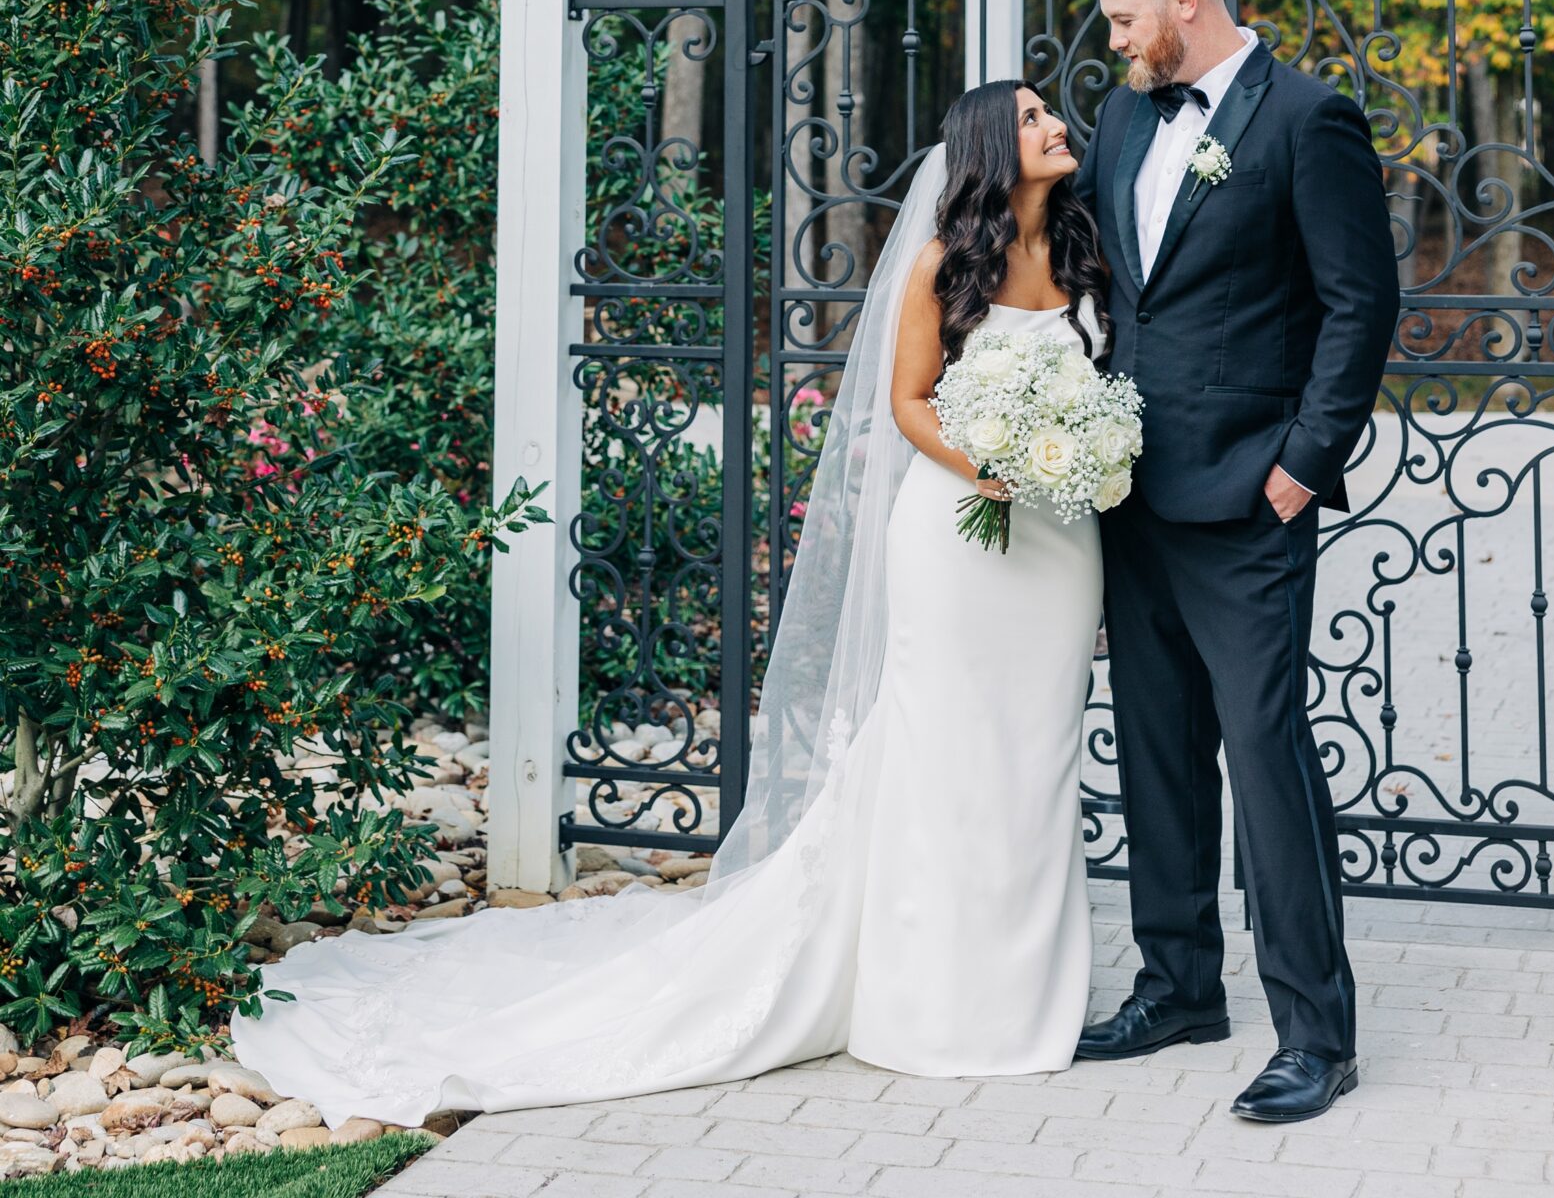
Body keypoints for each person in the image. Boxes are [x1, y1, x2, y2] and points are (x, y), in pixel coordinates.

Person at [231, 82, 1108, 1123]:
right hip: (960, 536)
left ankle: (1027, 992)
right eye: (1031, 117)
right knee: (947, 750)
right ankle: (934, 1000)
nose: (1056, 125)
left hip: (1060, 545)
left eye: (1051, 113)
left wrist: (1086, 456)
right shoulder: (940, 265)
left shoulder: (1087, 258)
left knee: (1038, 754)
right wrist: (989, 462)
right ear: (987, 149)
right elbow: (907, 401)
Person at [1072, 0, 1399, 1125]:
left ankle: (1318, 1032)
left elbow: (1360, 303)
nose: (1112, 40)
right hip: (1130, 491)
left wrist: (1304, 465)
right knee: (1155, 750)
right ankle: (1177, 986)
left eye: (1123, 18)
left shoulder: (1308, 119)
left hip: (1251, 493)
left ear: (1187, 5)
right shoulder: (1117, 119)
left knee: (1267, 756)